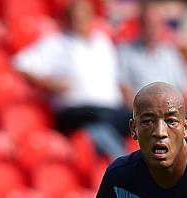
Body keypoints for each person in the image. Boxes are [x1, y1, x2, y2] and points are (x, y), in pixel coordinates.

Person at [13, 0, 129, 158]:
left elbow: (118, 79)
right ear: (67, 19)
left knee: (141, 121)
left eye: (84, 16)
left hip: (110, 110)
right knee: (97, 124)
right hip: (77, 109)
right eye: (75, 17)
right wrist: (49, 83)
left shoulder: (102, 42)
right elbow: (21, 63)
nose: (80, 21)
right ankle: (123, 164)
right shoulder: (56, 42)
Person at [118, 0, 187, 109]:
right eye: (148, 24)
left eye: (156, 24)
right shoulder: (126, 52)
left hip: (171, 112)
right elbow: (124, 89)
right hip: (142, 114)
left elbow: (183, 90)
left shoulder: (170, 54)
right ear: (141, 25)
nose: (152, 29)